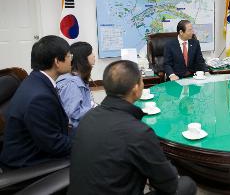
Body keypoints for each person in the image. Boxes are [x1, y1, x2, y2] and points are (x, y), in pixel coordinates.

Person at [68, 60, 197, 195]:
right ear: (136, 88)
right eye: (142, 81)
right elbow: (169, 184)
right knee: (186, 185)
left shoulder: (89, 117)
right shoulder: (138, 132)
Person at [0, 35, 72, 168]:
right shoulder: (39, 98)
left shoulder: (35, 79)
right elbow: (54, 144)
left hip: (35, 149)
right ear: (57, 61)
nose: (71, 59)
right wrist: (86, 144)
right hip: (27, 165)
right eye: (69, 56)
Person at [56, 42, 96, 130]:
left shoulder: (78, 78)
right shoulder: (71, 83)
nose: (94, 56)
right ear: (82, 58)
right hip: (76, 133)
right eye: (90, 53)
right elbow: (74, 113)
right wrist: (97, 110)